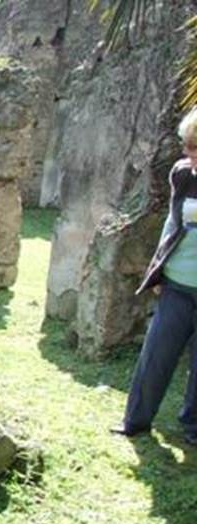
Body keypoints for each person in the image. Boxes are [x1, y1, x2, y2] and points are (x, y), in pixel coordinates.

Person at [115, 108, 197, 440]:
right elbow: (172, 224)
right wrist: (158, 272)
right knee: (156, 355)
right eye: (189, 147)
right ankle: (135, 421)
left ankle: (192, 428)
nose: (190, 156)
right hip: (177, 283)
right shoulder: (182, 174)